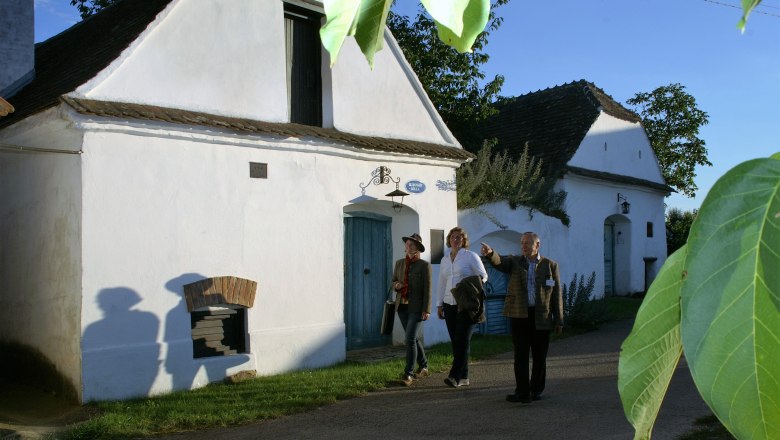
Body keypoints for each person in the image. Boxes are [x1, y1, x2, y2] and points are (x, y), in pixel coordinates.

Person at [480, 232, 563, 404]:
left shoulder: (550, 265)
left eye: (527, 243)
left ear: (537, 245)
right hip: (519, 315)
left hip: (542, 316)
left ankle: (536, 389)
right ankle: (523, 391)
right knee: (521, 355)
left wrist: (559, 319)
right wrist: (490, 253)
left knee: (539, 356)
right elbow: (500, 262)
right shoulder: (515, 262)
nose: (524, 246)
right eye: (522, 243)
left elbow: (556, 294)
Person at [436, 227, 488, 388]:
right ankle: (464, 377)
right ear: (449, 240)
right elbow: (442, 283)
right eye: (453, 237)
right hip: (449, 304)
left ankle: (454, 376)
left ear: (464, 240)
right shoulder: (445, 260)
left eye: (459, 237)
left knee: (462, 340)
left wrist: (467, 284)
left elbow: (484, 276)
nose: (455, 240)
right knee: (456, 341)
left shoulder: (470, 256)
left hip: (467, 305)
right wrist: (439, 304)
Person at [392, 233, 432, 386]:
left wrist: (427, 310)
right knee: (413, 338)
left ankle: (408, 373)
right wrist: (396, 285)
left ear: (417, 248)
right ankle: (424, 366)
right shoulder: (399, 263)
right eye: (407, 244)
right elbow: (393, 281)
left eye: (412, 245)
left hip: (417, 308)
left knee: (409, 339)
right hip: (401, 306)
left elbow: (428, 289)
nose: (408, 247)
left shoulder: (424, 266)